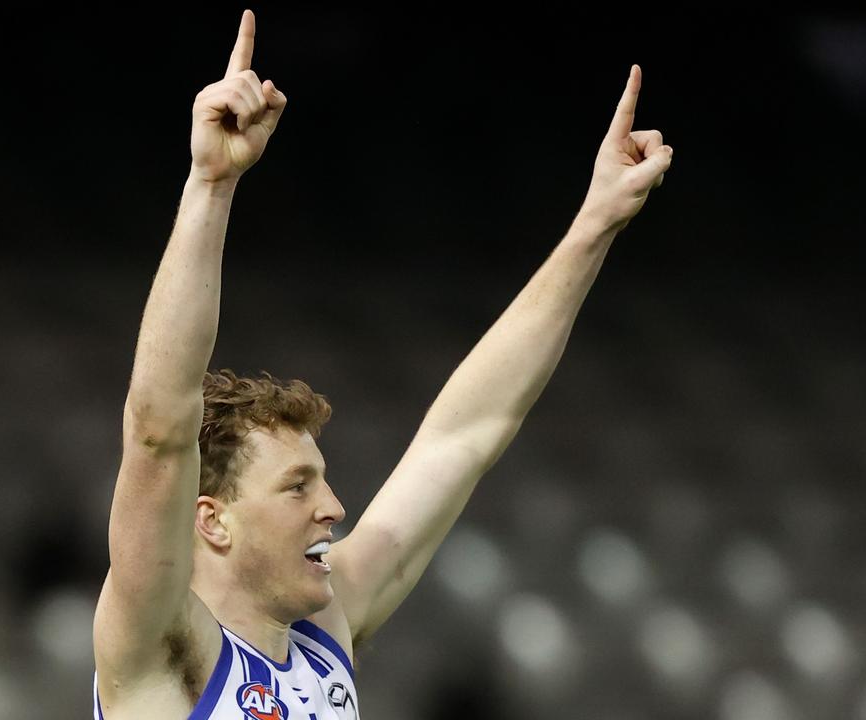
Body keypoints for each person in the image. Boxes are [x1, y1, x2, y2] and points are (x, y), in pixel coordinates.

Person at [92, 9, 673, 719]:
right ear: (213, 520)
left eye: (322, 481)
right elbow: (157, 429)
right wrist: (210, 186)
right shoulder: (165, 646)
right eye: (297, 487)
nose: (334, 508)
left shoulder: (326, 628)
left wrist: (594, 225)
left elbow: (465, 433)